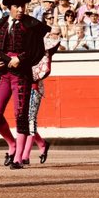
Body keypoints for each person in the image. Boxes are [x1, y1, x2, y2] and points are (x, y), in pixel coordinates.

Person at [0, 0, 51, 169]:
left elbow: (37, 51)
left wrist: (20, 59)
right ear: (9, 8)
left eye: (23, 6)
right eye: (17, 6)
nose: (21, 9)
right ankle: (12, 144)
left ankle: (18, 158)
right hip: (4, 73)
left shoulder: (32, 25)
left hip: (22, 74)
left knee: (20, 115)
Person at [21, 30, 60, 165]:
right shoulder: (25, 48)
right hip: (22, 86)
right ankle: (42, 144)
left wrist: (46, 34)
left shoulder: (42, 48)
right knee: (24, 120)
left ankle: (25, 156)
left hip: (34, 87)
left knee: (30, 119)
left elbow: (55, 41)